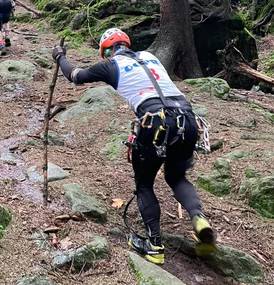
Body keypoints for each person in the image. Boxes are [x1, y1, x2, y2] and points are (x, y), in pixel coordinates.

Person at [52, 28, 216, 265]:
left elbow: (75, 76)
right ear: (127, 44)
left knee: (144, 184)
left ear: (107, 51)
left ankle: (154, 246)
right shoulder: (151, 57)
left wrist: (60, 57)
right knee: (177, 177)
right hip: (187, 120)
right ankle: (199, 219)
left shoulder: (110, 66)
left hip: (154, 122)